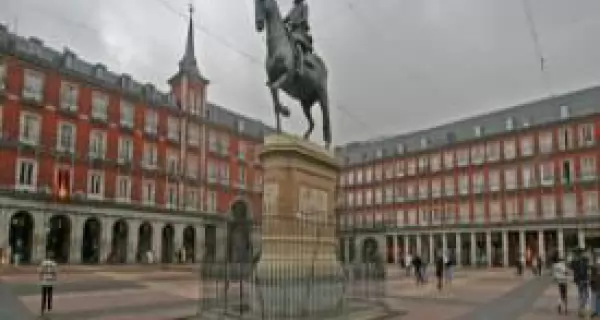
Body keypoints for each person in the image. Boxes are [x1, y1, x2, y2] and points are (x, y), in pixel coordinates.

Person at [283, 0, 313, 76]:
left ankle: (300, 68)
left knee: (297, 45)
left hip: (300, 30)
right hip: (291, 31)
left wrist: (296, 23)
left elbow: (304, 19)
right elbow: (286, 18)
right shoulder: (293, 9)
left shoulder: (304, 6)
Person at [571, 248, 590, 317]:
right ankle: (582, 310)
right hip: (583, 280)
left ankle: (581, 310)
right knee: (584, 295)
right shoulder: (582, 263)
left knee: (581, 295)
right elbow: (582, 272)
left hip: (579, 281)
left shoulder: (576, 262)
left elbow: (573, 269)